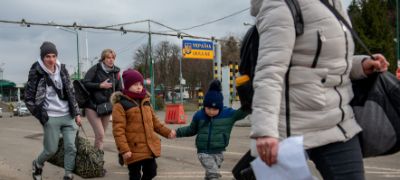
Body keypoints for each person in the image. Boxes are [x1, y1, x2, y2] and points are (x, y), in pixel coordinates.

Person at [249, 0, 389, 179]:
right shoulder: (280, 5)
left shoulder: (334, 4)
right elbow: (269, 73)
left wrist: (361, 65)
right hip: (289, 130)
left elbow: (328, 63)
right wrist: (265, 132)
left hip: (337, 122)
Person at [25, 41, 82, 180]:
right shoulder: (36, 72)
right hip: (50, 117)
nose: (51, 60)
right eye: (48, 56)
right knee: (51, 150)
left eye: (54, 56)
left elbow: (71, 92)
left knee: (71, 147)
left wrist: (77, 113)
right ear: (42, 57)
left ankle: (68, 175)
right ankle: (37, 164)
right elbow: (28, 98)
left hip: (68, 114)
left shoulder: (62, 70)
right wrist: (41, 115)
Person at [173, 80, 248, 180]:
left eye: (215, 109)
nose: (211, 112)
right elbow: (191, 129)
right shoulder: (199, 115)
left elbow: (243, 111)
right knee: (213, 174)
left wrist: (250, 100)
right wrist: (177, 132)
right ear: (205, 106)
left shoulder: (229, 115)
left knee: (210, 175)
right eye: (208, 108)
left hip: (219, 152)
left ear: (220, 108)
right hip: (203, 152)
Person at [111, 69, 175, 180]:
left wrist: (168, 132)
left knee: (152, 172)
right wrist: (124, 150)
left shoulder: (146, 101)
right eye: (135, 84)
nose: (139, 87)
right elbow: (118, 130)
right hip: (132, 149)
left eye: (140, 84)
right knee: (135, 176)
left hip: (148, 147)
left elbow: (155, 123)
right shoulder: (120, 105)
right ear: (127, 86)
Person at [82, 48, 122, 150]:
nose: (111, 60)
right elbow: (85, 83)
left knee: (100, 137)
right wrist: (100, 85)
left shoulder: (116, 73)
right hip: (92, 106)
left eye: (113, 58)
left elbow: (119, 91)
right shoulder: (95, 69)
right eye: (108, 57)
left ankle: (96, 162)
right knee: (100, 134)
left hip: (107, 108)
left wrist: (118, 104)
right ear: (103, 59)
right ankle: (97, 163)